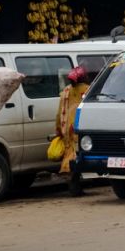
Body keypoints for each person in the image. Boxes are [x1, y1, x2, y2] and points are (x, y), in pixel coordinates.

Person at [54, 65, 92, 196]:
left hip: (67, 128)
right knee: (78, 156)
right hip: (80, 127)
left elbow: (59, 113)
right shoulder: (87, 90)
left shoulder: (65, 91)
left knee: (70, 154)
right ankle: (75, 186)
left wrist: (58, 128)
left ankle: (74, 185)